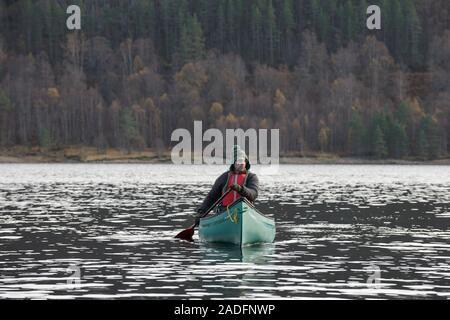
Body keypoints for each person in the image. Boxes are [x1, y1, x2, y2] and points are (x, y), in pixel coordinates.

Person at [193, 145, 259, 225]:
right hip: (225, 212)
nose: (241, 164)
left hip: (245, 211)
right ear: (233, 163)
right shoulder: (224, 177)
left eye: (243, 161)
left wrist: (241, 189)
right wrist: (201, 212)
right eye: (239, 161)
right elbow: (211, 197)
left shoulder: (252, 177)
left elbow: (253, 194)